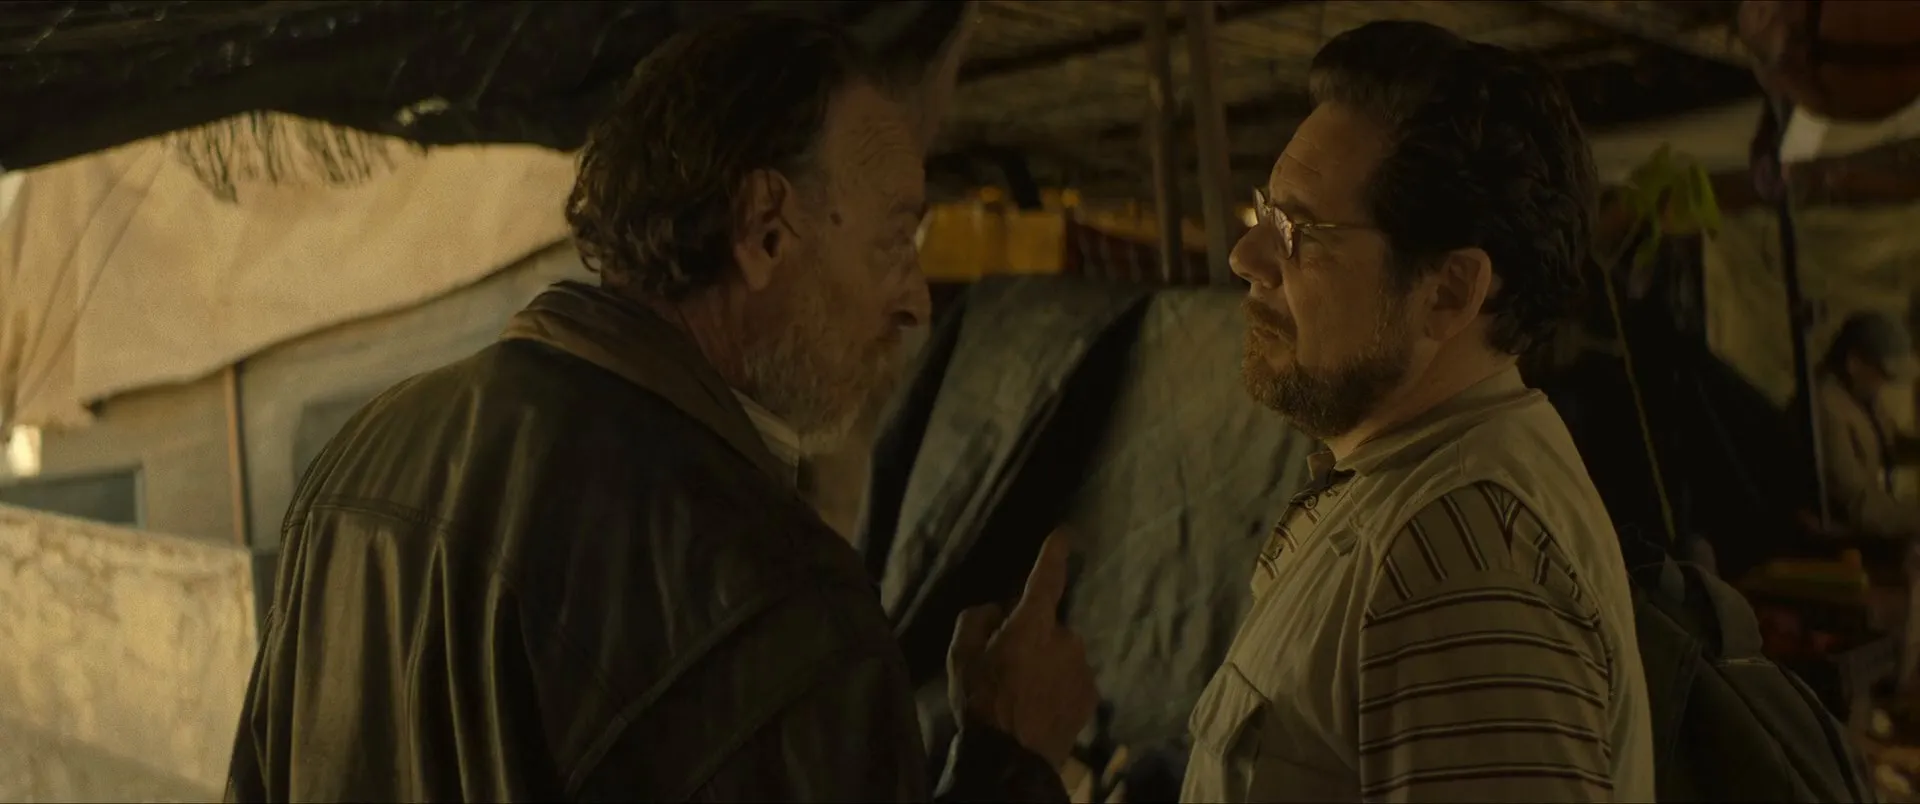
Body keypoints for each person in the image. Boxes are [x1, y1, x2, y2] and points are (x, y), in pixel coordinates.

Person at [224, 11, 1097, 803]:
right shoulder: (776, 598)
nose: (915, 302)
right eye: (894, 242)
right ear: (765, 230)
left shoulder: (359, 461)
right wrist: (1010, 759)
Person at [1184, 20, 1654, 803]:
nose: (1247, 258)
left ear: (1448, 292)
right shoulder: (1409, 491)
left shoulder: (1462, 563)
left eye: (1296, 232)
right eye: (1265, 213)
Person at [1812, 309, 1920, 541]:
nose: (1886, 383)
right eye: (1883, 373)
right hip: (1841, 541)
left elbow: (1889, 440)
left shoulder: (1859, 394)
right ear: (1854, 363)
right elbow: (1857, 507)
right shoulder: (1826, 410)